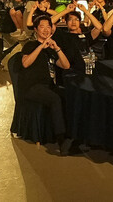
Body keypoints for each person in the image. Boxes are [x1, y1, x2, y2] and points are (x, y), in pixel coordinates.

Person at [19, 16, 73, 154]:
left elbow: (66, 66)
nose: (45, 29)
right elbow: (26, 63)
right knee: (55, 99)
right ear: (36, 30)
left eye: (48, 27)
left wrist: (57, 49)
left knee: (70, 95)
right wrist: (41, 46)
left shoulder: (51, 50)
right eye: (42, 27)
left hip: (49, 85)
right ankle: (61, 140)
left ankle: (72, 135)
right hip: (32, 86)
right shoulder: (30, 45)